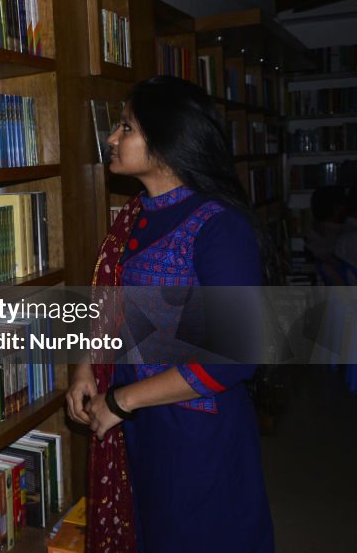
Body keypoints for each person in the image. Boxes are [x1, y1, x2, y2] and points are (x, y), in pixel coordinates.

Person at [66, 77, 274, 553]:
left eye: (125, 128)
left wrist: (121, 402)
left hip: (195, 433)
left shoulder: (218, 226)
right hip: (139, 423)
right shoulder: (133, 215)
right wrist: (84, 369)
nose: (112, 139)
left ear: (166, 142)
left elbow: (235, 355)